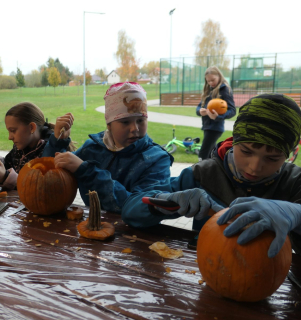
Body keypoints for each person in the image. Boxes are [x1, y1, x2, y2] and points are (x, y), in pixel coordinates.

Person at [122, 93, 301, 258]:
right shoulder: (202, 174)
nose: (254, 167)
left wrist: (297, 214)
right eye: (246, 151)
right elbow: (130, 210)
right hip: (206, 270)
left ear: (289, 155)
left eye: (272, 158)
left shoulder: (294, 183)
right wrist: (162, 203)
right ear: (234, 141)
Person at [42, 82, 173, 213]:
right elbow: (50, 178)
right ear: (109, 124)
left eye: (140, 120)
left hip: (141, 233)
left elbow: (139, 208)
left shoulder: (157, 160)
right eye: (125, 122)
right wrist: (58, 142)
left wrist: (86, 171)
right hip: (94, 226)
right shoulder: (92, 148)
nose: (135, 128)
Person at [0, 102, 76, 190]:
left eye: (13, 131)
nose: (9, 137)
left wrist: (5, 177)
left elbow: (38, 183)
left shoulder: (50, 151)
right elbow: (8, 164)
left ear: (31, 127)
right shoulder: (20, 147)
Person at [196, 66, 236, 160]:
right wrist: (200, 111)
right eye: (208, 81)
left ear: (219, 76)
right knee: (211, 153)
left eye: (213, 80)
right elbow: (199, 106)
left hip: (215, 127)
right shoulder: (208, 90)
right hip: (206, 126)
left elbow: (232, 110)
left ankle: (199, 171)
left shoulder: (225, 90)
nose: (210, 83)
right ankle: (213, 171)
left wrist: (218, 116)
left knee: (203, 153)